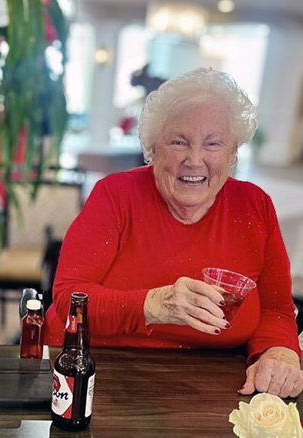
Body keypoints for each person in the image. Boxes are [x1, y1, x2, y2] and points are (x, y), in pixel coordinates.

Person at [44, 68, 303, 398]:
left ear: (233, 152)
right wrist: (152, 304)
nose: (194, 160)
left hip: (214, 386)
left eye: (213, 143)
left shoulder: (255, 206)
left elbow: (275, 309)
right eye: (178, 142)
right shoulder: (115, 195)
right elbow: (69, 300)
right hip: (95, 376)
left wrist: (277, 352)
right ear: (152, 149)